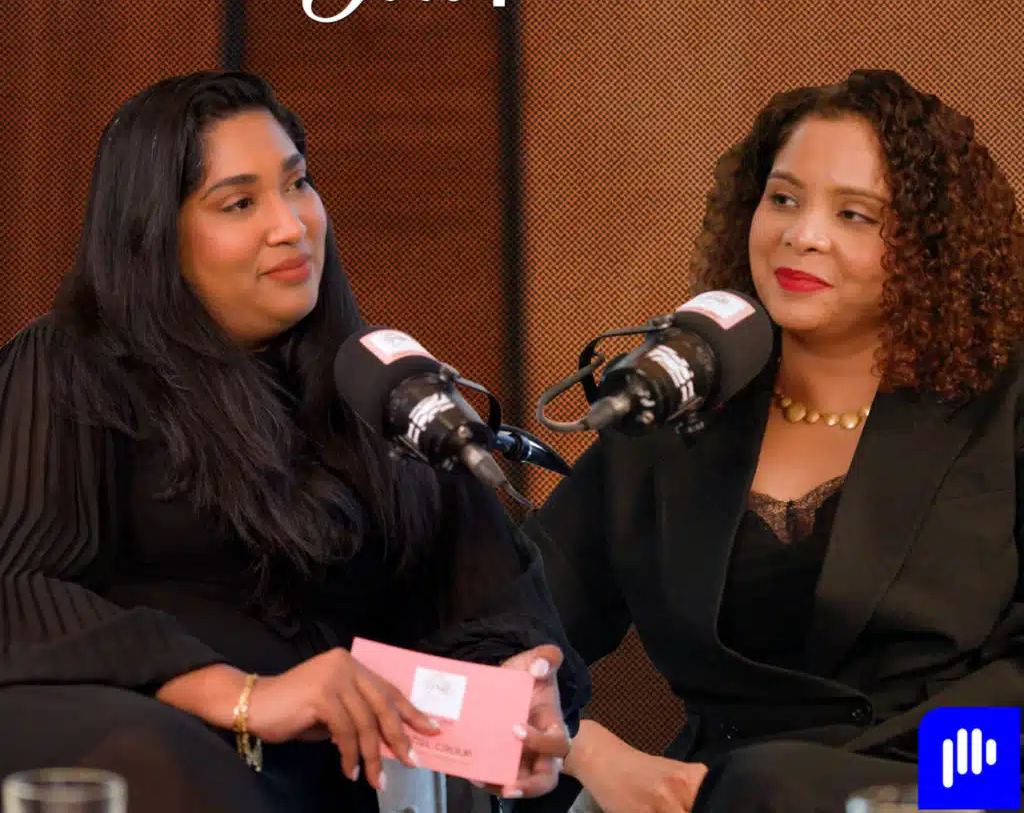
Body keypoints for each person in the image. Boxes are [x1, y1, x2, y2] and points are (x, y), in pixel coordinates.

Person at [0, 72, 588, 812]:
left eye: (297, 184)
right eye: (240, 203)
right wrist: (243, 695)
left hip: (332, 778)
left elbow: (491, 604)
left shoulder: (380, 383)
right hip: (148, 746)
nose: (291, 225)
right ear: (154, 235)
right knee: (155, 755)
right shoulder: (70, 366)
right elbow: (16, 590)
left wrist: (516, 696)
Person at [523, 69, 1024, 812]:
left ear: (931, 246)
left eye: (854, 215)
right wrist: (587, 749)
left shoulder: (1003, 400)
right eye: (783, 199)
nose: (803, 235)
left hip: (972, 768)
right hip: (725, 792)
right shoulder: (675, 410)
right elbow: (502, 632)